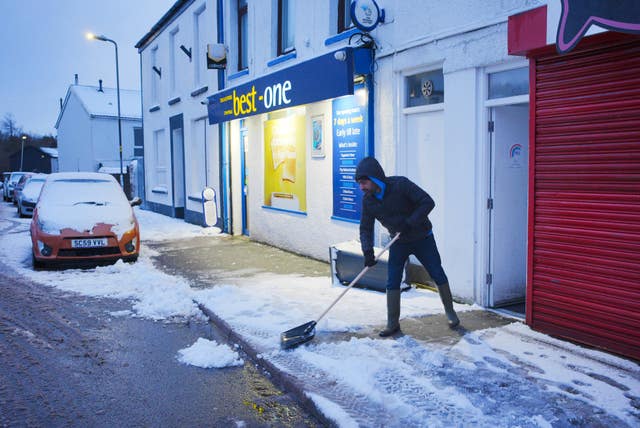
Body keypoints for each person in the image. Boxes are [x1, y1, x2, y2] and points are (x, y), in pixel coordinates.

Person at [355, 157, 460, 337]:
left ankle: (451, 313)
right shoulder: (369, 201)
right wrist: (367, 252)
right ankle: (392, 323)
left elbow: (428, 201)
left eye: (364, 182)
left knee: (436, 272)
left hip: (422, 238)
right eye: (359, 184)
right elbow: (365, 228)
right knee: (392, 280)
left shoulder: (400, 185)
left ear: (375, 178)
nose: (362, 187)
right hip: (398, 242)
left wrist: (410, 222)